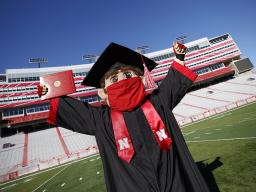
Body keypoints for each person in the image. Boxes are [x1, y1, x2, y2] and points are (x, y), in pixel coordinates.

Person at [38, 42, 210, 192]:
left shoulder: (158, 103)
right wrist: (49, 92)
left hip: (173, 180)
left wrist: (179, 58)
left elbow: (173, 84)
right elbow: (70, 109)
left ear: (141, 79)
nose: (122, 81)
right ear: (102, 93)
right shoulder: (100, 119)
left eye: (128, 75)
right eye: (113, 79)